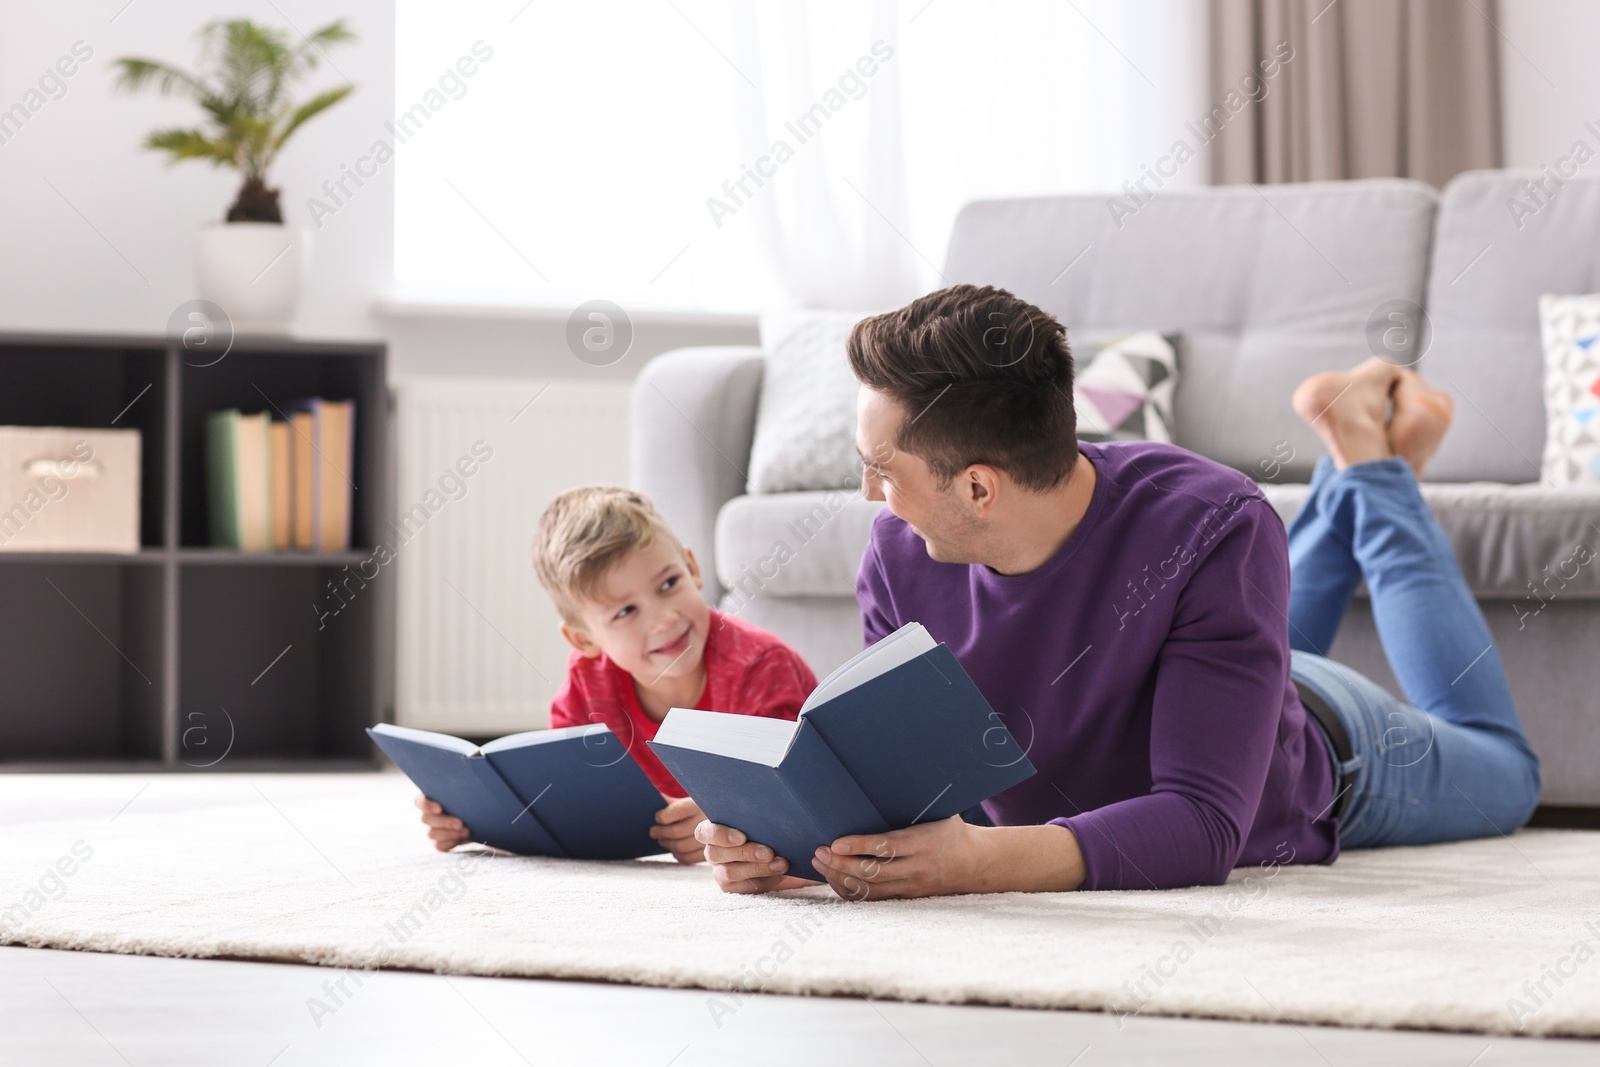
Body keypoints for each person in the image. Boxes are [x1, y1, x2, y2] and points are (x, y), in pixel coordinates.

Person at [695, 284, 1542, 897]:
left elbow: (1205, 826)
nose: (871, 494)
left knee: (1506, 771)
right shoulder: (900, 551)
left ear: (980, 487)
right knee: (1256, 642)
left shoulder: (1215, 522)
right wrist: (777, 840)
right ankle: (1356, 457)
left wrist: (978, 863)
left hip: (1329, 745)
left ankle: (1375, 467)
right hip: (1232, 672)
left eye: (881, 470)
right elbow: (905, 788)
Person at [416, 485, 818, 862]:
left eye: (668, 583)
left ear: (693, 569)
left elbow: (798, 804)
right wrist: (476, 824)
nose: (663, 620)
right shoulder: (587, 685)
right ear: (583, 638)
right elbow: (562, 807)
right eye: (625, 612)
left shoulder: (761, 667)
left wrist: (732, 822)